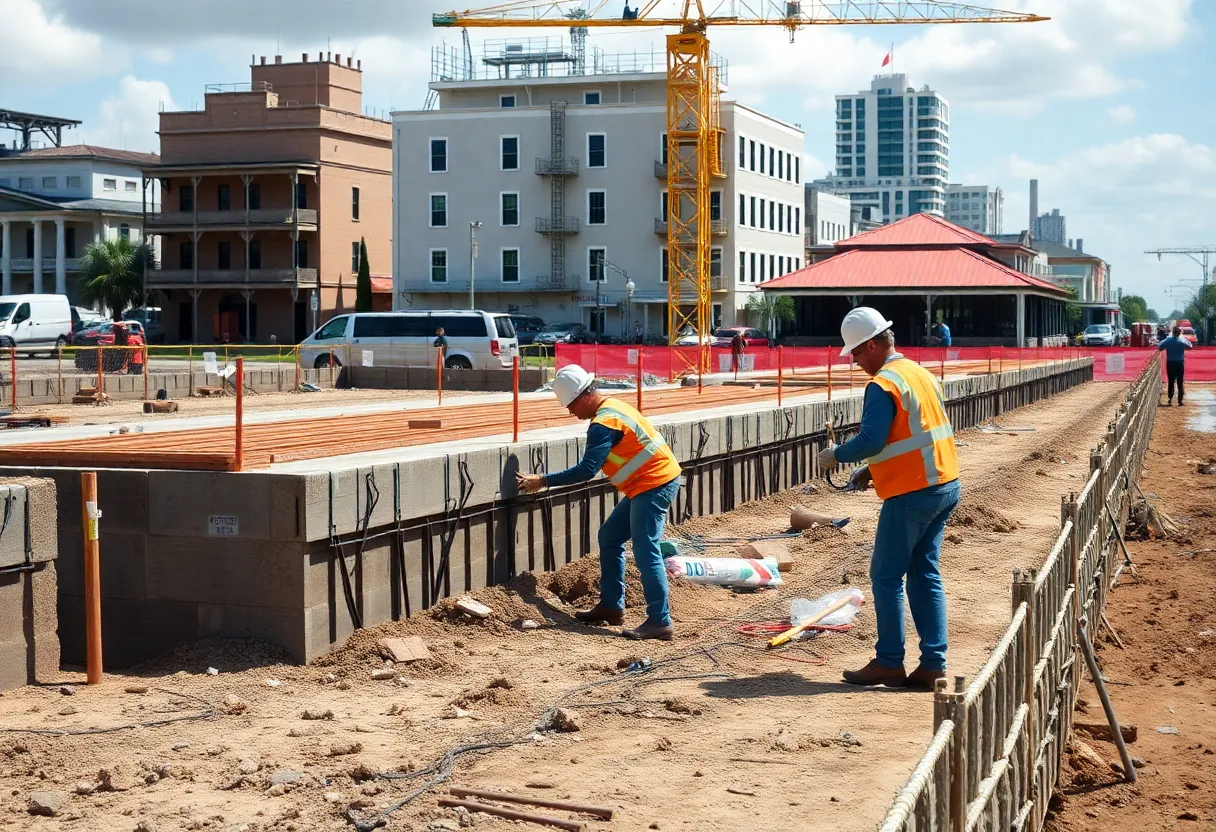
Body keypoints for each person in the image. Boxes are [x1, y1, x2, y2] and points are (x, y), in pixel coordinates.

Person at [817, 308, 961, 690]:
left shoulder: (883, 384)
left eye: (858, 353)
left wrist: (838, 455)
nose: (856, 361)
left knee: (885, 575)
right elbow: (915, 433)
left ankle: (889, 662)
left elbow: (872, 440)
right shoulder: (918, 373)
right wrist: (873, 469)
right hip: (944, 483)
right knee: (924, 572)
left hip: (912, 492)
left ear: (876, 345)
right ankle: (933, 664)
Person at [516, 365, 682, 640]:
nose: (571, 412)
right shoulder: (613, 407)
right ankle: (611, 606)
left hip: (653, 484)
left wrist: (543, 481)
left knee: (646, 550)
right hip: (649, 482)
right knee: (609, 536)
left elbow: (587, 470)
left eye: (570, 405)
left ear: (583, 396)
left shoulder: (603, 425)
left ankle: (659, 622)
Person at [1158, 324, 1192, 406]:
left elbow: (1159, 347)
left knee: (1171, 381)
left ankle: (1170, 398)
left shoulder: (1168, 340)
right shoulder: (1182, 341)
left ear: (1172, 332)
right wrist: (1184, 340)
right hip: (1180, 363)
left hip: (1170, 363)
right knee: (1180, 382)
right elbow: (1190, 346)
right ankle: (1180, 401)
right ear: (1180, 333)